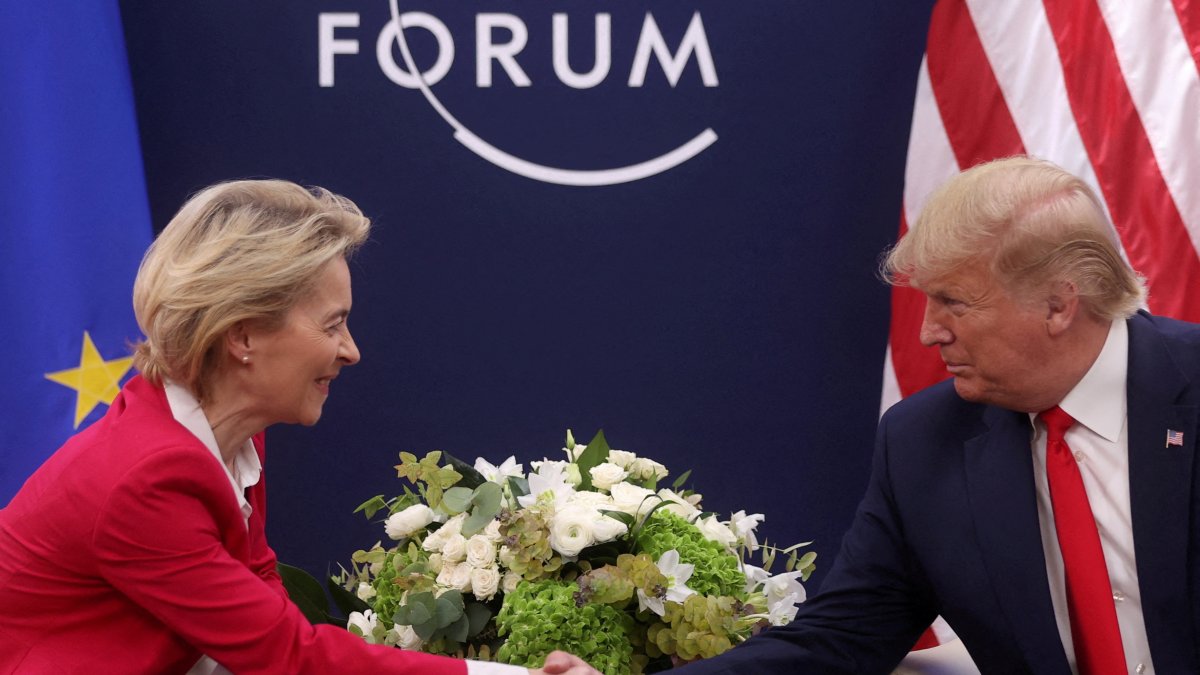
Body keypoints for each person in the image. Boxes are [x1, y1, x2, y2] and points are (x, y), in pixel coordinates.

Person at [0, 180, 599, 675]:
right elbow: (286, 658)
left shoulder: (226, 432)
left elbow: (260, 605)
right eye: (332, 325)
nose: (351, 351)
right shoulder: (148, 477)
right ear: (243, 336)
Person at [675, 157, 1200, 674]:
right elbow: (841, 638)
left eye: (954, 302)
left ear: (1058, 305)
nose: (929, 332)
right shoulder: (925, 442)